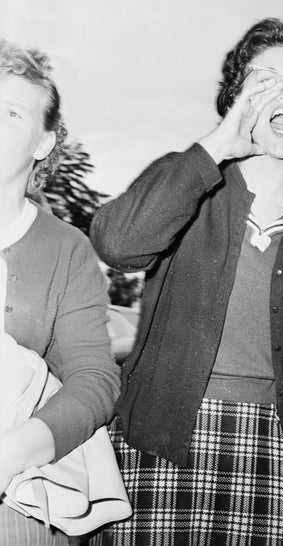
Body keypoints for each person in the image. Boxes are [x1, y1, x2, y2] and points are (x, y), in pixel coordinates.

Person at [89, 18, 283, 545]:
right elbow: (116, 244)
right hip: (164, 438)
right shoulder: (189, 180)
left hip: (280, 457)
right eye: (265, 81)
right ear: (237, 99)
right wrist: (216, 146)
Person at [0, 39, 121, 545]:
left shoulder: (65, 250)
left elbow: (95, 381)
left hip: (15, 495)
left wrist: (10, 454)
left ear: (44, 143)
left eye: (10, 112)